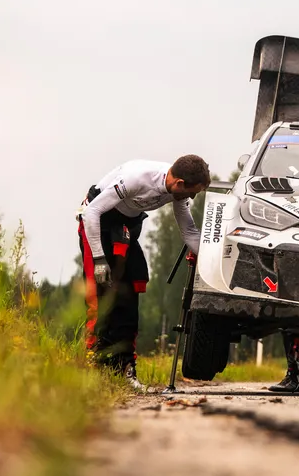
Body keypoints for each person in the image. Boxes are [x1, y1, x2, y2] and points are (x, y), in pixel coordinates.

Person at [77, 155, 210, 389]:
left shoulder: (175, 191)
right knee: (102, 297)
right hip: (97, 223)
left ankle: (124, 369)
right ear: (179, 183)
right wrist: (99, 260)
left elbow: (189, 231)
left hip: (126, 227)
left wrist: (209, 260)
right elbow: (92, 213)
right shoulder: (136, 178)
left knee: (130, 296)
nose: (192, 197)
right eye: (192, 192)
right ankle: (91, 368)